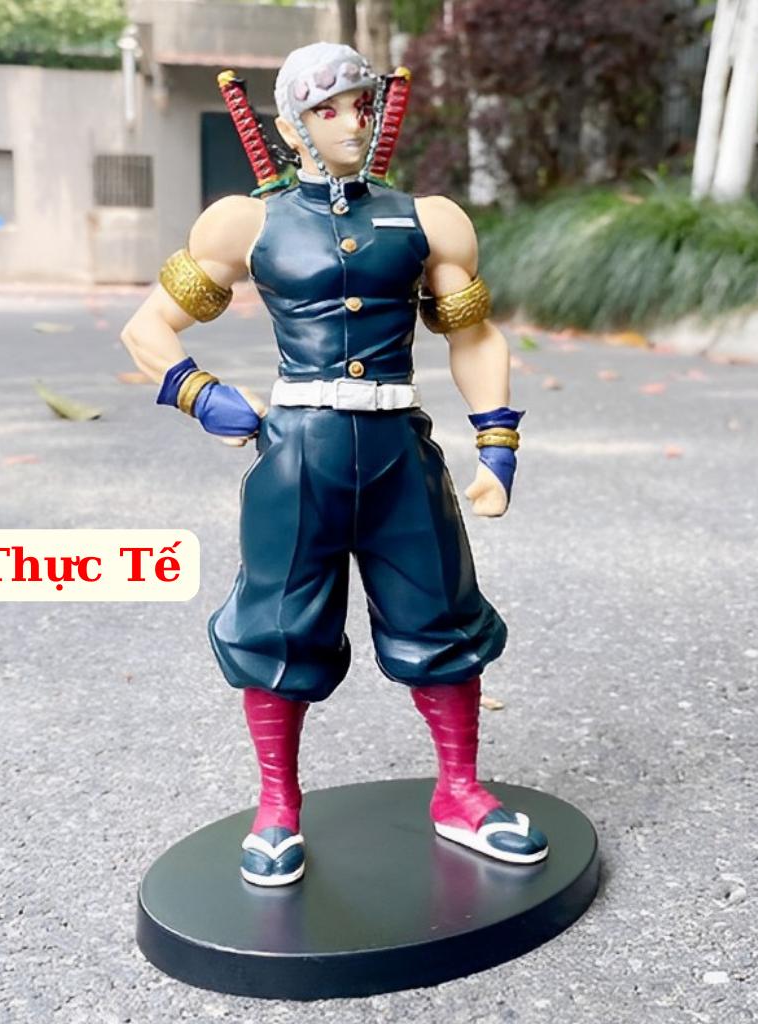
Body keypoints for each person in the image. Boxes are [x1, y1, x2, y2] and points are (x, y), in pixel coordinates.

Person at [121, 42, 548, 887]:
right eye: (327, 108)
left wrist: (496, 443)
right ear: (290, 127)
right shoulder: (246, 223)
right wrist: (198, 393)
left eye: (361, 103)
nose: (352, 121)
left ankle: (459, 792)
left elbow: (473, 336)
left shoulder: (430, 219)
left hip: (398, 451)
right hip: (299, 454)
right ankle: (277, 806)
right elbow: (147, 326)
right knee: (277, 627)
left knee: (443, 618)